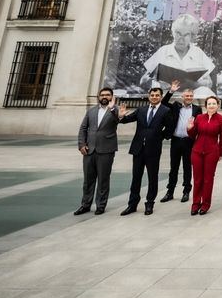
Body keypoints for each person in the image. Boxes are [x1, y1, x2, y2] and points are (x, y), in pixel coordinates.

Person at [118, 86, 175, 215]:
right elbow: (127, 119)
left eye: (157, 95)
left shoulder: (165, 110)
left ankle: (149, 203)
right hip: (138, 149)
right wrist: (121, 116)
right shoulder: (141, 110)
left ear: (161, 97)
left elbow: (170, 128)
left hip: (153, 149)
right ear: (149, 96)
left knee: (152, 177)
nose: (154, 97)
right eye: (152, 95)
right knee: (136, 178)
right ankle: (132, 204)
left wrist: (160, 137)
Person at [139, 13, 215, 91]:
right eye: (178, 33)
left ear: (191, 36)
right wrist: (158, 85)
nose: (181, 39)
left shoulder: (198, 53)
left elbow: (209, 83)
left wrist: (192, 84)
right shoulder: (164, 51)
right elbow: (143, 80)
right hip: (167, 97)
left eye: (186, 35)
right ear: (173, 33)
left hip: (191, 97)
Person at [75, 87, 120, 215]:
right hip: (89, 150)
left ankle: (101, 205)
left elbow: (118, 120)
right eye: (102, 95)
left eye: (107, 95)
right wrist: (81, 144)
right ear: (98, 97)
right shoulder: (92, 111)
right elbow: (83, 128)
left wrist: (112, 108)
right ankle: (85, 205)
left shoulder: (115, 110)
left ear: (112, 97)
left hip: (106, 150)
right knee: (88, 180)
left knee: (103, 179)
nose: (104, 97)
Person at [186, 94, 222, 215]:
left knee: (208, 179)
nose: (211, 106)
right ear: (206, 106)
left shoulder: (221, 120)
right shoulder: (199, 118)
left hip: (212, 152)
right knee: (198, 179)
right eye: (209, 104)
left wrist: (220, 153)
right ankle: (195, 204)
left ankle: (205, 204)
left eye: (214, 104)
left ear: (217, 106)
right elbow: (193, 135)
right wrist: (190, 128)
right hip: (197, 152)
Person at [162, 88, 197, 203]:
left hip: (189, 141)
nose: (189, 98)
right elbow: (163, 102)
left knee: (187, 167)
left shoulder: (197, 109)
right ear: (183, 97)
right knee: (174, 167)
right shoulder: (176, 106)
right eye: (187, 96)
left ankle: (186, 191)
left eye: (191, 96)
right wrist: (171, 91)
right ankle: (170, 192)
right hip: (176, 140)